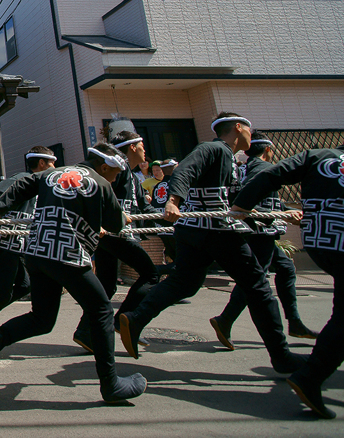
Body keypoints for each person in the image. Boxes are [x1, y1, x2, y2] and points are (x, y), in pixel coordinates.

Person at [118, 112, 307, 377]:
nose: (251, 138)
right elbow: (185, 170)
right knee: (258, 286)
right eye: (249, 131)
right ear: (239, 128)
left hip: (196, 231)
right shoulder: (212, 148)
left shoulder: (230, 158)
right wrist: (174, 200)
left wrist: (283, 210)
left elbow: (242, 197)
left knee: (185, 282)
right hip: (215, 230)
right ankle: (282, 355)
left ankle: (136, 318)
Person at [0, 143, 147, 404]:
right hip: (67, 255)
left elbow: (20, 185)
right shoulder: (101, 184)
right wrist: (120, 218)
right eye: (116, 173)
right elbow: (115, 224)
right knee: (102, 311)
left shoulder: (52, 174)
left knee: (42, 318)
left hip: (37, 252)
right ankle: (111, 383)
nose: (116, 178)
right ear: (104, 167)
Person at [231, 146, 344, 419]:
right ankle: (311, 374)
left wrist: (242, 206)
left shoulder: (318, 156)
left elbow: (274, 175)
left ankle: (309, 367)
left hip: (320, 240)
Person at [209, 132, 318, 348]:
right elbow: (246, 197)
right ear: (268, 149)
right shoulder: (262, 168)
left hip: (259, 229)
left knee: (285, 268)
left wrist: (284, 210)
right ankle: (225, 319)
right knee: (255, 280)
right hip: (260, 231)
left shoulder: (246, 168)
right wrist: (279, 214)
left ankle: (294, 321)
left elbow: (266, 200)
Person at [72, 132, 160, 353]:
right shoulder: (113, 171)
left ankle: (85, 332)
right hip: (111, 234)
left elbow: (144, 207)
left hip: (113, 235)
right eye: (141, 145)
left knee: (107, 285)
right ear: (131, 148)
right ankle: (125, 319)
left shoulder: (129, 175)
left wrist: (169, 221)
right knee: (150, 275)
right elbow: (96, 195)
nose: (144, 150)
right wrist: (98, 221)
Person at [0, 146, 55, 338]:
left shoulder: (37, 183)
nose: (54, 167)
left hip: (17, 244)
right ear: (41, 163)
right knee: (2, 293)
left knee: (24, 286)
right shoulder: (22, 180)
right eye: (52, 163)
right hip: (5, 243)